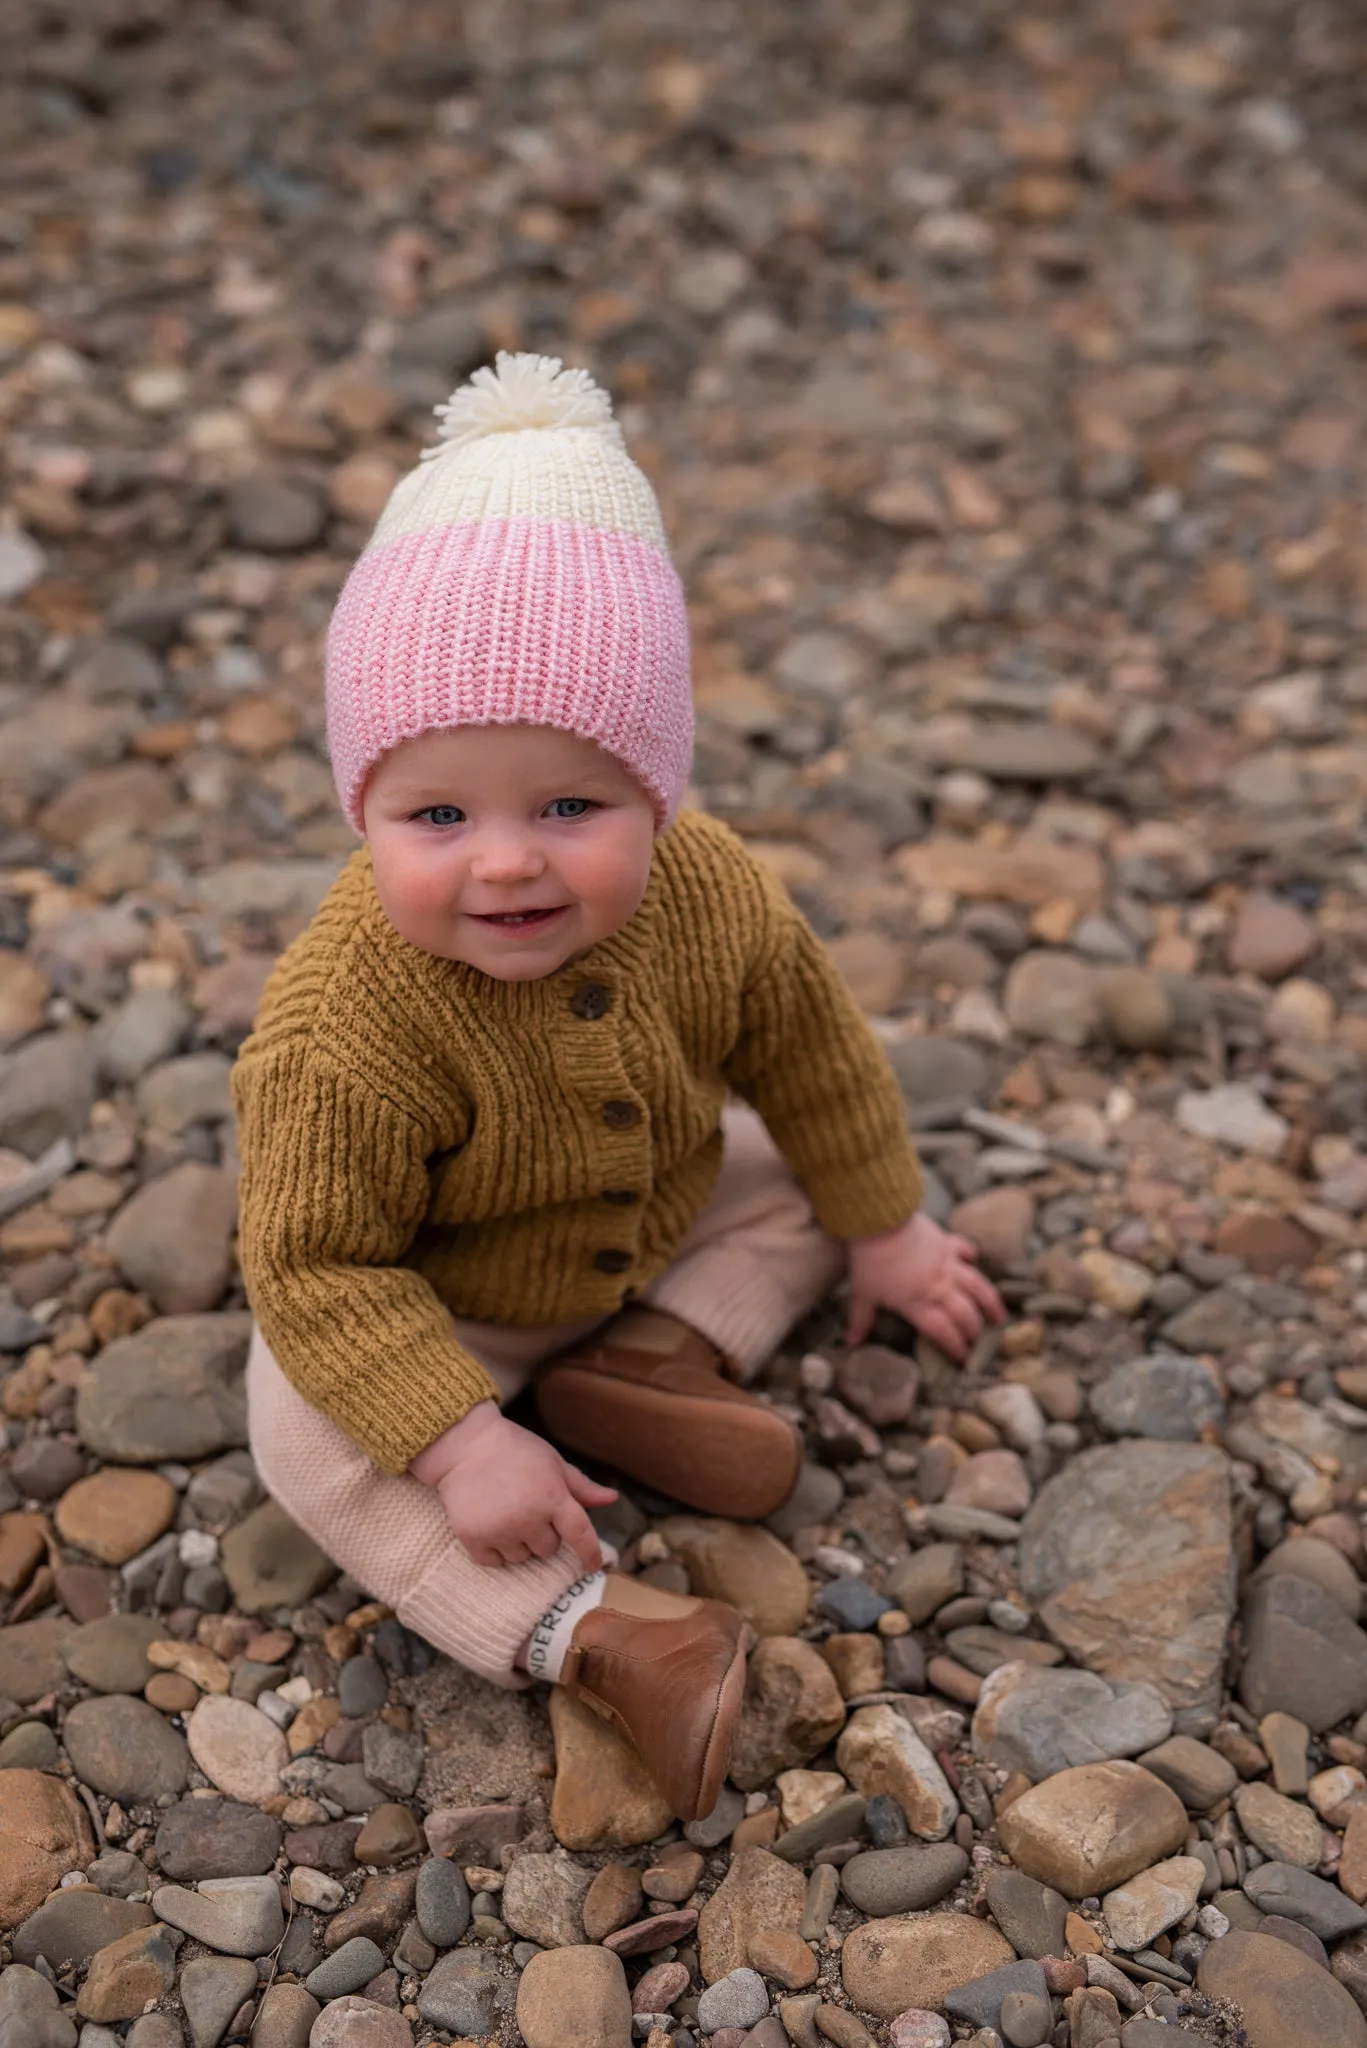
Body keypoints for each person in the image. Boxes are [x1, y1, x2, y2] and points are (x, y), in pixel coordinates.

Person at [232, 353, 1003, 1822]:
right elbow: (316, 1261)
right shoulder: (349, 1019)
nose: (507, 859)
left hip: (650, 1220)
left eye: (571, 806)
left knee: (803, 1181)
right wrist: (456, 1439)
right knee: (302, 1430)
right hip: (441, 1303)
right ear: (362, 805)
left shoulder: (707, 888)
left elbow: (812, 1053)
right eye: (438, 813)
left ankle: (651, 1358)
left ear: (659, 786)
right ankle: (608, 1636)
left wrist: (889, 1229)